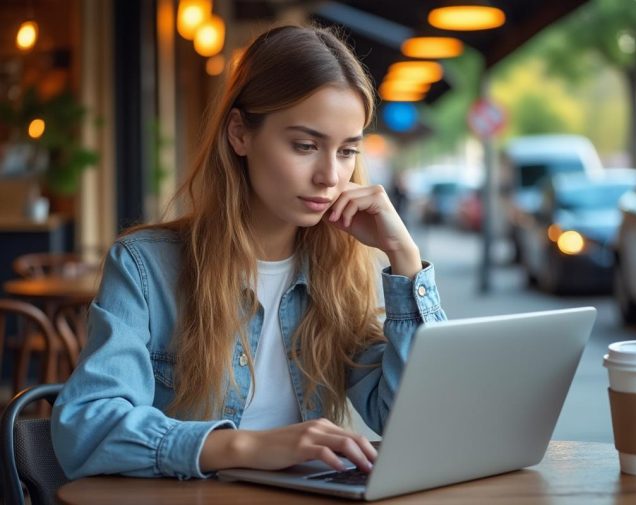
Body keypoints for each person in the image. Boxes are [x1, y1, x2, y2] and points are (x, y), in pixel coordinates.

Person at [51, 25, 446, 480]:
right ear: (240, 133)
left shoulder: (340, 268)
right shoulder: (146, 267)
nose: (329, 176)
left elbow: (417, 420)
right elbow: (85, 429)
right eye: (305, 146)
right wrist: (245, 446)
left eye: (346, 151)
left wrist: (404, 258)